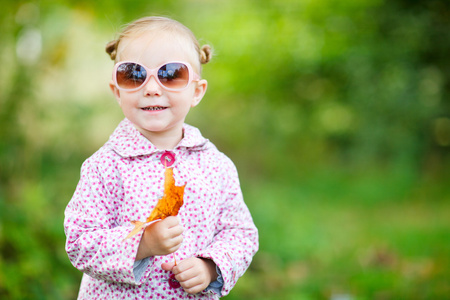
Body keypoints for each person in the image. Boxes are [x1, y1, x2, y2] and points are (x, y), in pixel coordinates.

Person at [64, 16, 258, 299]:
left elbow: (240, 234)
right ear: (117, 92)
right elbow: (80, 242)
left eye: (171, 74)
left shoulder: (216, 166)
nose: (152, 88)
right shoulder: (104, 166)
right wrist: (142, 244)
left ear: (197, 91)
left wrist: (210, 267)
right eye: (134, 75)